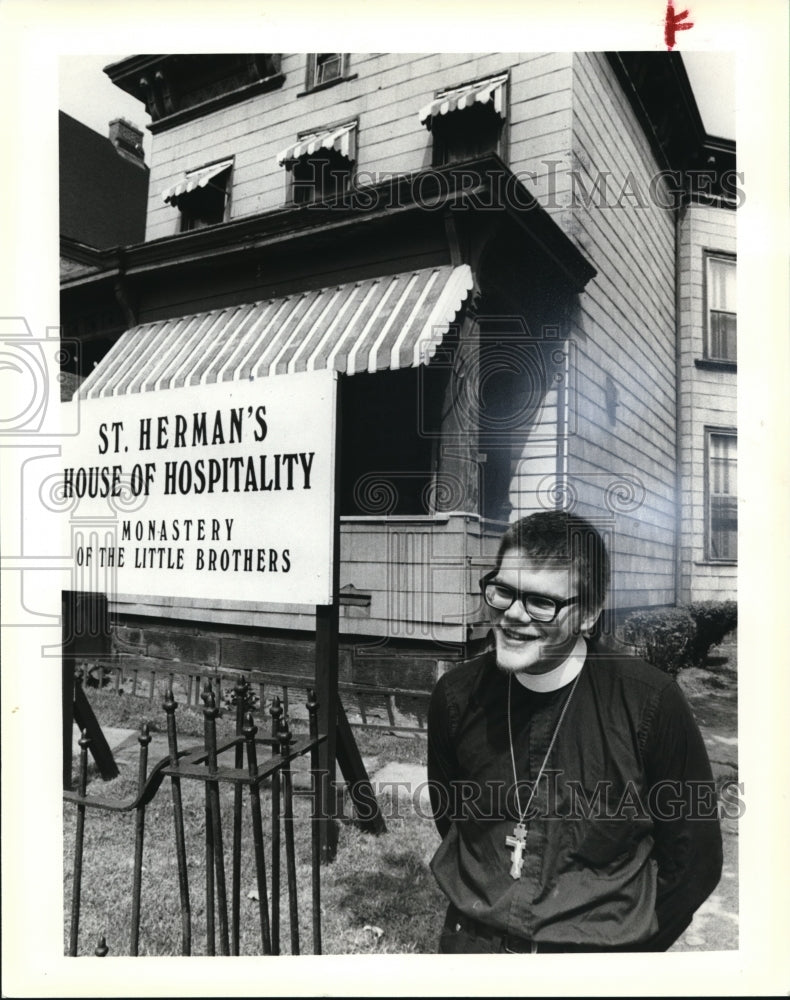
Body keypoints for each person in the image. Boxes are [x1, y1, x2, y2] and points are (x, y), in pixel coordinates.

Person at [427, 510, 723, 953]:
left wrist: (624, 954)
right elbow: (448, 816)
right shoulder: (456, 696)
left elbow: (695, 860)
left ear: (588, 614)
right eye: (504, 592)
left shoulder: (650, 703)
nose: (513, 615)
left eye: (542, 602)